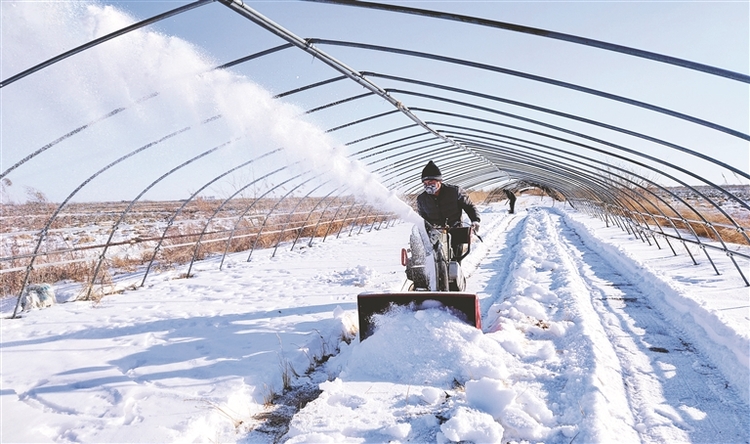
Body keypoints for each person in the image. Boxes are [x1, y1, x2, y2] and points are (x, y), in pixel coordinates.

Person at [416, 161, 480, 261]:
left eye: (431, 183)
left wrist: (475, 220)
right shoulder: (422, 199)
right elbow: (422, 218)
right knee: (437, 264)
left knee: (454, 262)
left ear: (439, 181)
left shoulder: (454, 192)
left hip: (455, 233)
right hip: (435, 236)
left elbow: (469, 207)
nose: (428, 186)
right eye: (425, 183)